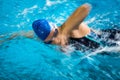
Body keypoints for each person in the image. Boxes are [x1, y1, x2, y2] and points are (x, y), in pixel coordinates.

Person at [1, 3, 119, 50]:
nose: (55, 41)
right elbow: (20, 34)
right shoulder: (47, 37)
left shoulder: (71, 28)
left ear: (57, 27)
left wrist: (64, 32)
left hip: (113, 40)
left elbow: (84, 8)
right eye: (50, 42)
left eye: (55, 34)